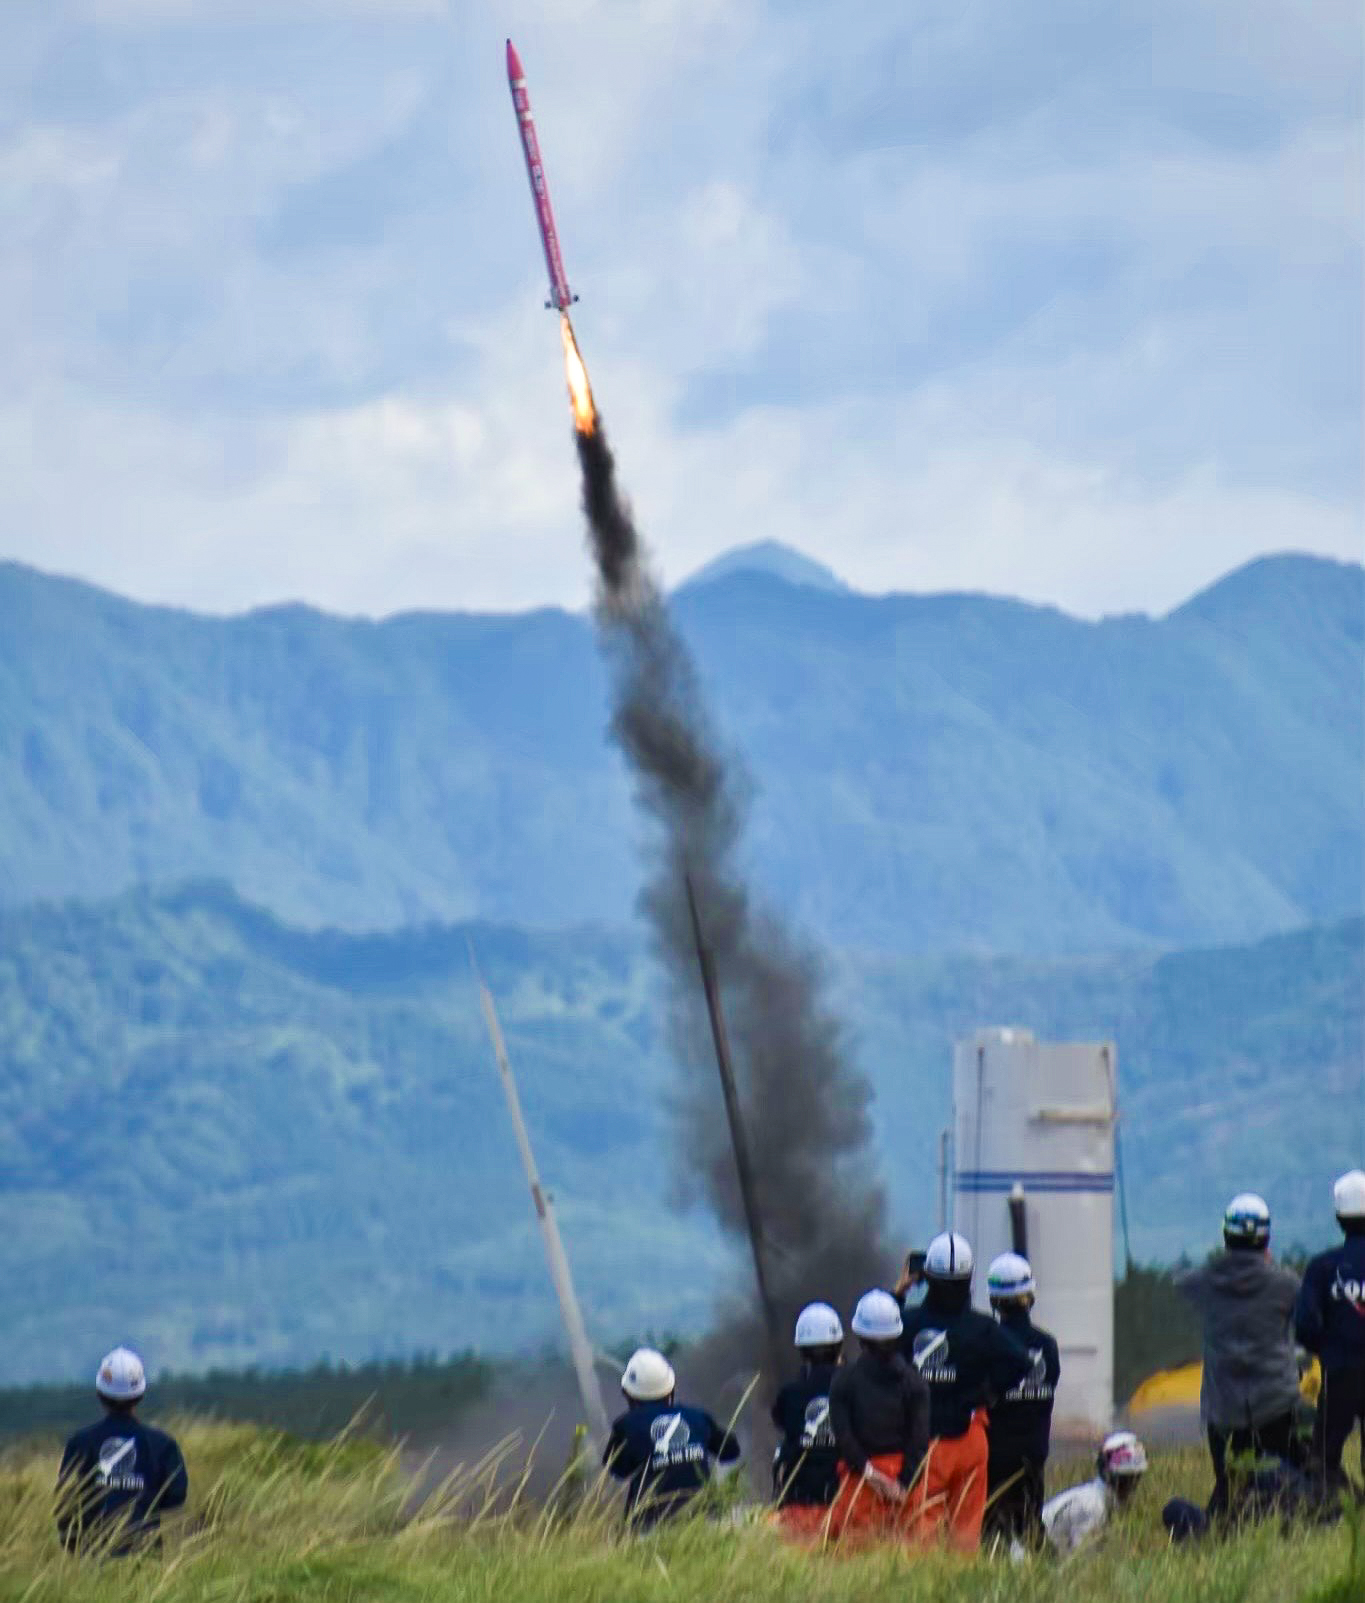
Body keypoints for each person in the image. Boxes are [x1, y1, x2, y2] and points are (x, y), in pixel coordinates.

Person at [900, 1232, 1032, 1551]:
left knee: (921, 1536)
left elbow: (874, 1341)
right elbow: (1021, 1362)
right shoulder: (983, 1327)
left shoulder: (907, 1323)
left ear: (927, 1276)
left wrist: (898, 1291)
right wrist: (987, 1393)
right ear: (969, 1279)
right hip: (971, 1438)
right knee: (965, 1534)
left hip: (922, 1441)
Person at [1175, 1192, 1305, 1513]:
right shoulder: (1287, 1284)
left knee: (1231, 1485)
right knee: (1284, 1479)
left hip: (1223, 1409)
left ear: (1226, 1236)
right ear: (1266, 1239)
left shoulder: (1203, 1282)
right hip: (1276, 1403)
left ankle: (1228, 1525)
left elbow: (1179, 1282)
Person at [55, 1347, 188, 1555]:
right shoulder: (163, 1445)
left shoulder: (80, 1444)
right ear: (140, 1393)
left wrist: (74, 1545)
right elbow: (176, 1496)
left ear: (100, 1393)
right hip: (147, 1554)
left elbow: (66, 1502)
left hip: (93, 1556)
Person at [826, 1289, 930, 1544]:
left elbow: (844, 1437)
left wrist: (872, 1475)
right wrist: (903, 1484)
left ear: (860, 1336)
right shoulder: (915, 1382)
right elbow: (920, 1439)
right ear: (897, 1335)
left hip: (861, 1483)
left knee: (859, 1567)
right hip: (907, 1484)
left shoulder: (843, 1380)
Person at [602, 1347, 740, 1527]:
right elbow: (731, 1451)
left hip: (649, 1525)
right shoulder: (697, 1417)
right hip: (704, 1521)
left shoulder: (626, 1426)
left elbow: (617, 1471)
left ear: (628, 1394)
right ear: (671, 1389)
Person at [1294, 1169, 1365, 1495]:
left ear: (1339, 1217)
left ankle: (1337, 1506)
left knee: (1323, 1458)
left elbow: (1305, 1327)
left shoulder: (1322, 1268)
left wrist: (1330, 1349)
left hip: (1339, 1372)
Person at [982, 1252, 1060, 1549]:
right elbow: (1049, 1385)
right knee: (1030, 1527)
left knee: (991, 1533)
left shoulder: (989, 1343)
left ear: (994, 1300)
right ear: (1031, 1295)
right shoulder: (1048, 1346)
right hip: (1034, 1453)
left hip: (996, 1457)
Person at [771, 1302, 844, 1536]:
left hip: (800, 1501)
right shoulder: (857, 1385)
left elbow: (781, 1420)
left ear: (801, 1350)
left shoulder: (789, 1394)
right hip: (848, 1499)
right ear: (839, 1346)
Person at [1041, 1430, 1147, 1554]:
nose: (1130, 1487)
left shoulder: (1101, 1500)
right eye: (1125, 1480)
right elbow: (1081, 1558)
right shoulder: (1092, 1505)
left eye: (1135, 1479)